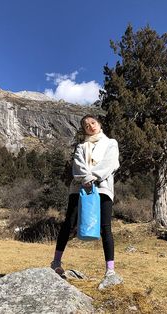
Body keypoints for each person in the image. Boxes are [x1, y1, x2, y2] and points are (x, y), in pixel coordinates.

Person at [51, 114, 123, 289]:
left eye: (93, 123)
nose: (90, 126)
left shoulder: (110, 143)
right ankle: (56, 262)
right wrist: (85, 179)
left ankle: (110, 270)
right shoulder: (81, 146)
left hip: (103, 188)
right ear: (83, 129)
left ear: (99, 124)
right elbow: (78, 165)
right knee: (69, 222)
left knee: (105, 227)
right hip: (78, 188)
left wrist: (93, 177)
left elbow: (110, 163)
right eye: (86, 125)